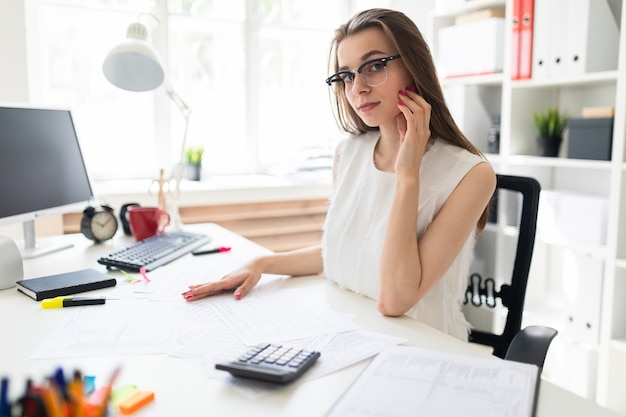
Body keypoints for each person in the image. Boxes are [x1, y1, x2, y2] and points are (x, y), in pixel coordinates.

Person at [182, 8, 496, 341]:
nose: (357, 87)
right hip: (348, 330)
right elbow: (342, 253)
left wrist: (407, 176)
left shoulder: (472, 175)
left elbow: (394, 299)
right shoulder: (349, 153)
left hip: (423, 348)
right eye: (346, 75)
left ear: (413, 67)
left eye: (374, 66)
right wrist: (261, 263)